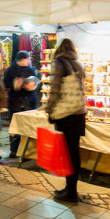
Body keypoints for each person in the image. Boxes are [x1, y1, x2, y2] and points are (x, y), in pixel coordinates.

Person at [45, 38, 86, 203]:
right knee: (74, 151)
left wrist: (49, 109)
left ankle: (71, 193)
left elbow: (54, 89)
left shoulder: (58, 62)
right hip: (79, 112)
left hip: (65, 113)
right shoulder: (79, 64)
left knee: (67, 153)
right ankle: (71, 189)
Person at [3, 50, 37, 158]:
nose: (29, 61)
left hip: (29, 102)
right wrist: (15, 84)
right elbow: (5, 83)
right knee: (15, 127)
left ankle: (27, 151)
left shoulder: (31, 70)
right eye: (27, 59)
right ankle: (14, 150)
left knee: (28, 127)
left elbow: (37, 83)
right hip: (15, 102)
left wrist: (33, 86)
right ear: (20, 60)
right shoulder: (10, 70)